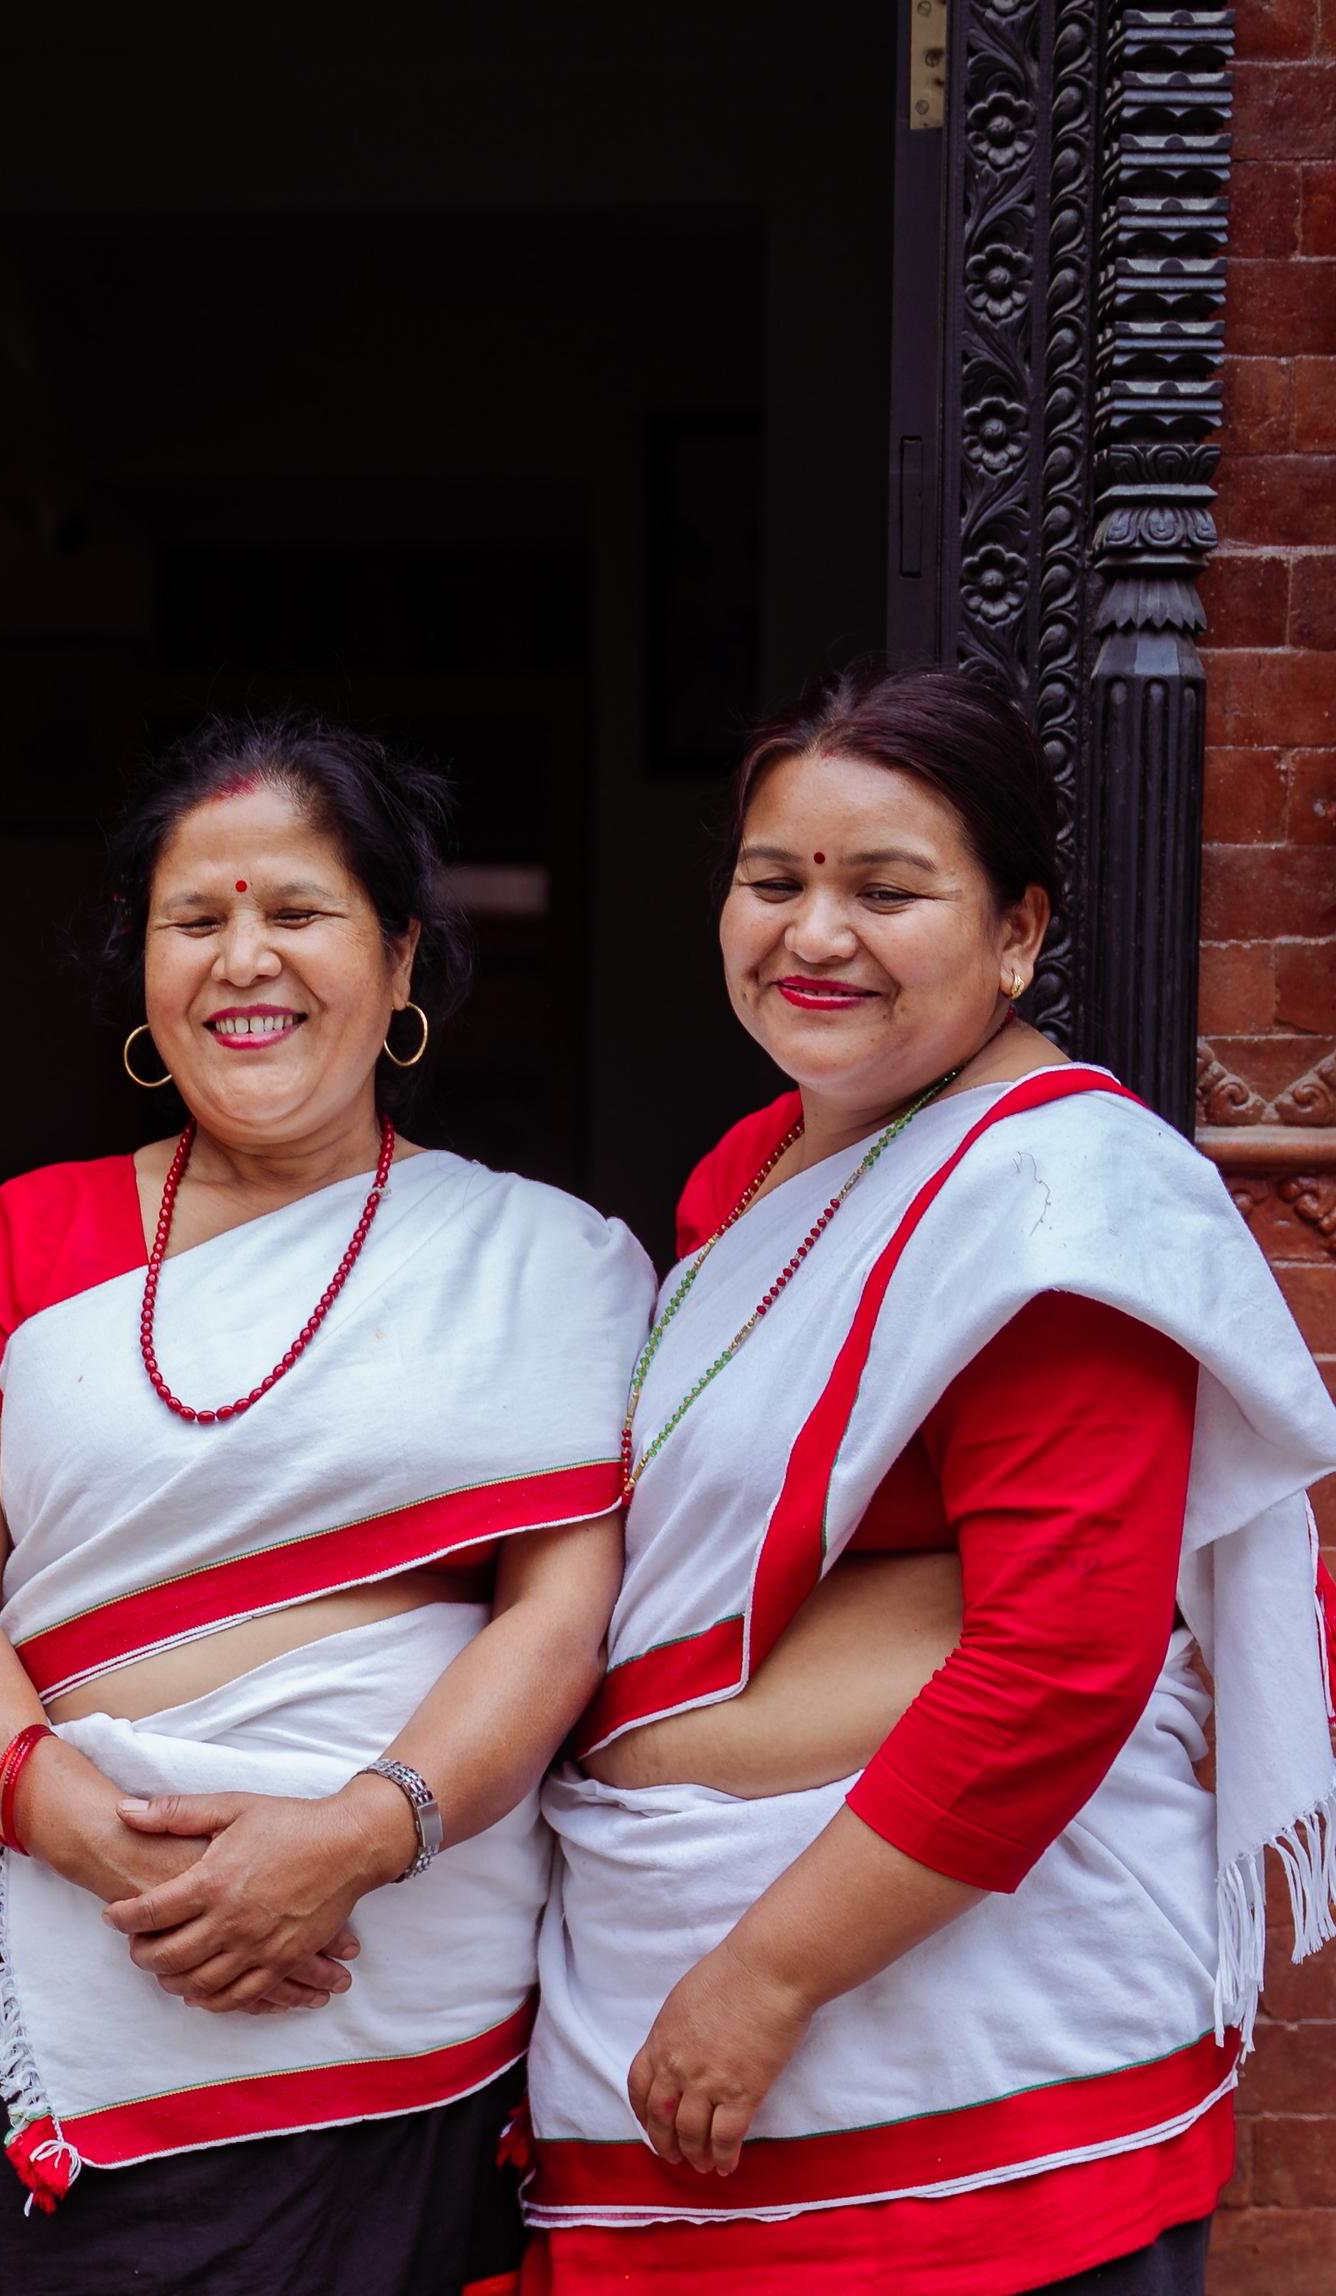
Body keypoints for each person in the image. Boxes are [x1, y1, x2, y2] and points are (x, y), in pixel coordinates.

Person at [522, 664, 1336, 2295]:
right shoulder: (744, 1175)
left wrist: (764, 1977)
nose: (815, 934)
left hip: (960, 2067)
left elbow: (1057, 1662)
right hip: (654, 2025)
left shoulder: (1054, 1202)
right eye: (775, 882)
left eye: (887, 890)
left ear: (1019, 931)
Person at [0, 718, 656, 2296]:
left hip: (402, 1998)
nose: (242, 961)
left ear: (401, 956)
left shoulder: (548, 1262)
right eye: (194, 920)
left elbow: (561, 1608)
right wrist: (96, 1840)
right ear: (143, 972)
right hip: (67, 1981)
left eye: (297, 912)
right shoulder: (29, 1234)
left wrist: (358, 1836)